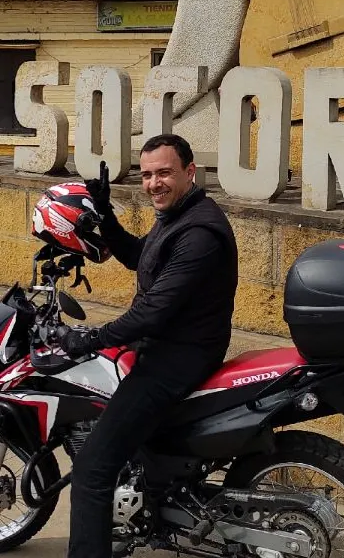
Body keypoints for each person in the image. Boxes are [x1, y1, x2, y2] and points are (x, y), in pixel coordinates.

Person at [58, 134, 238, 558]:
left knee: (92, 470)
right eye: (148, 174)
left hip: (175, 358)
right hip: (173, 347)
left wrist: (89, 339)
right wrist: (104, 212)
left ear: (190, 172)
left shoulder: (200, 233)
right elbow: (142, 256)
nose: (154, 183)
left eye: (164, 173)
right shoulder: (179, 216)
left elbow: (152, 313)